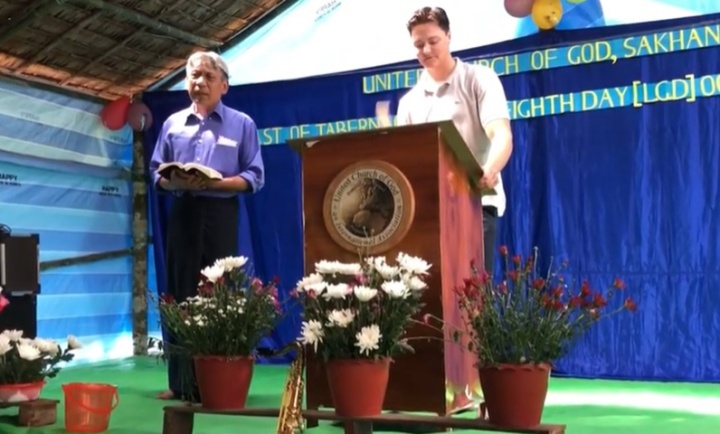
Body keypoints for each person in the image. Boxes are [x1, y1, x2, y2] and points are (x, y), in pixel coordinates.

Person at [149, 51, 265, 401]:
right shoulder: (172, 124)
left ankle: (217, 379)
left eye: (206, 77)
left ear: (223, 85)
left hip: (221, 213)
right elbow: (157, 173)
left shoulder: (242, 124)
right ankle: (181, 382)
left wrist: (215, 183)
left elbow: (254, 176)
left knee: (218, 295)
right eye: (193, 76)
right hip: (183, 212)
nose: (198, 82)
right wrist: (174, 181)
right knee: (181, 293)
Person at [396, 6, 513, 276]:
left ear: (449, 36)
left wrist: (491, 168)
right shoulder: (409, 103)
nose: (425, 50)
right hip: (428, 213)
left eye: (433, 41)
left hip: (476, 204)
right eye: (418, 45)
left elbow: (501, 133)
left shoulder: (479, 78)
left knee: (471, 295)